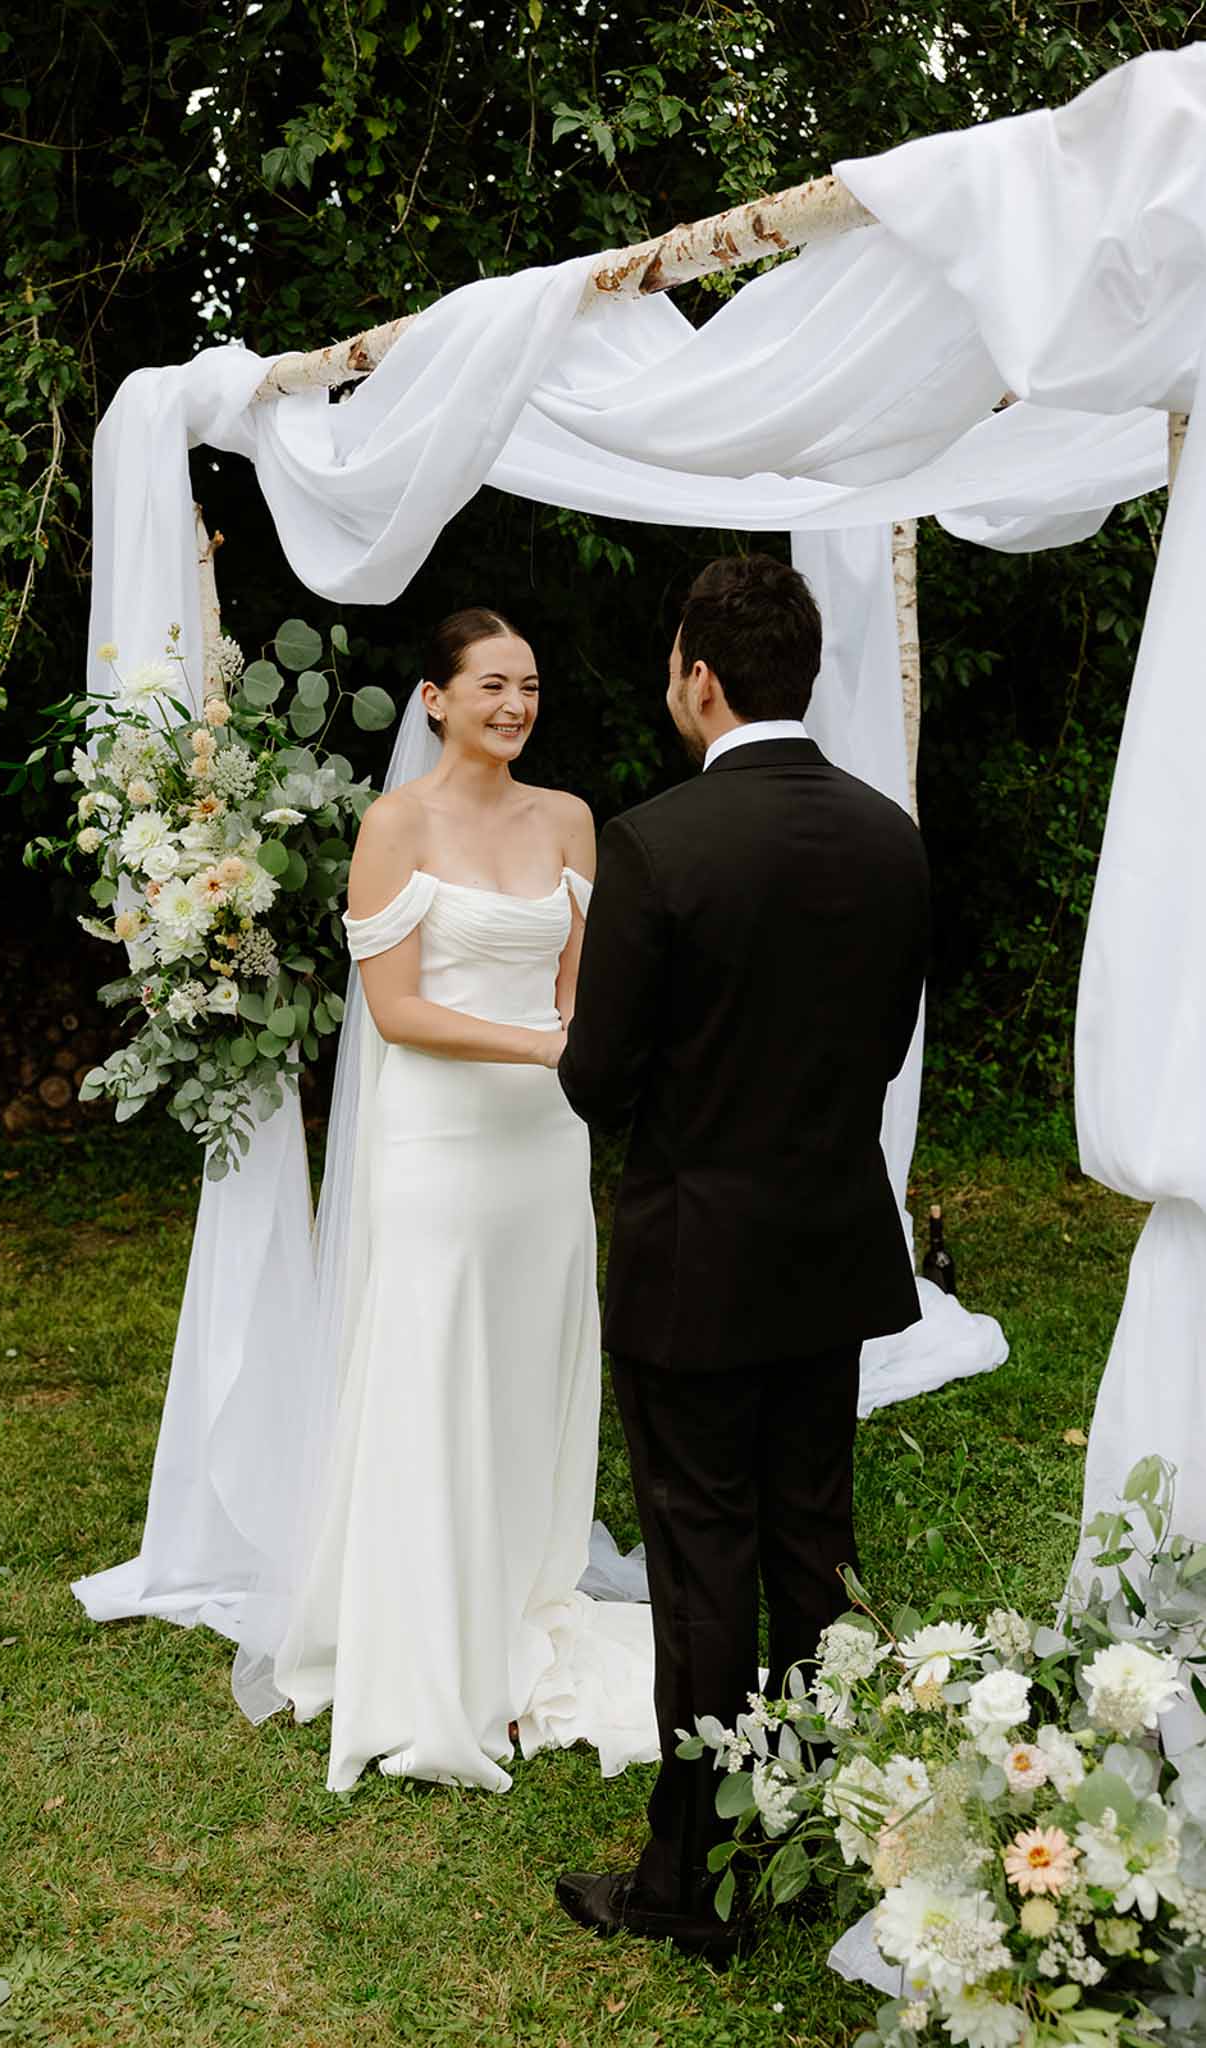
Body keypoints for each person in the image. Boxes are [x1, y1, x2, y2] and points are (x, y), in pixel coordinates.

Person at [554, 554, 930, 1961]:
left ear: (697, 679)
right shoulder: (889, 837)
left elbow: (596, 1078)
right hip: (824, 1250)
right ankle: (820, 1829)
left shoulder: (655, 843)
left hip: (692, 1265)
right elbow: (880, 1050)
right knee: (810, 1551)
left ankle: (683, 1883)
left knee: (703, 1563)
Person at [270, 607, 657, 1791]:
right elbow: (396, 1011)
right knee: (437, 1361)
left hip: (544, 1147)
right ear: (434, 699)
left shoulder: (570, 820)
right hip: (440, 1140)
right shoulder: (397, 823)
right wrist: (545, 1049)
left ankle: (520, 1588)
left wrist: (581, 1058)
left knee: (531, 1361)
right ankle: (428, 1633)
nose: (516, 704)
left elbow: (579, 991)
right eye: (492, 683)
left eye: (530, 684)